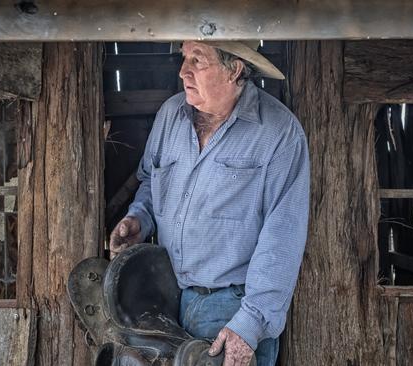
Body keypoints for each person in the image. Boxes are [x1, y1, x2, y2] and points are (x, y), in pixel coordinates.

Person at [109, 40, 310, 366]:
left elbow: (283, 237)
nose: (183, 71)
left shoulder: (279, 134)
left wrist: (249, 326)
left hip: (233, 308)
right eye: (184, 58)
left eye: (197, 60)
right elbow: (150, 180)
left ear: (235, 69)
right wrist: (139, 219)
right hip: (168, 297)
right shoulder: (170, 115)